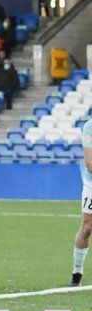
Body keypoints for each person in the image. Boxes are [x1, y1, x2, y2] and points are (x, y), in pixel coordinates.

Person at [71, 117, 92, 286]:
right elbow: (90, 162)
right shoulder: (90, 127)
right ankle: (77, 271)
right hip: (91, 184)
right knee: (86, 228)